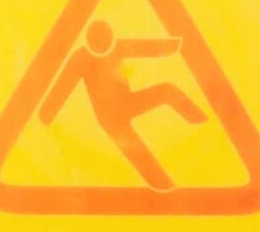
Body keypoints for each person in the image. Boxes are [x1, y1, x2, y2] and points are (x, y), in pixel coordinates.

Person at [36, 19, 206, 189]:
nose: (104, 48)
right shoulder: (80, 58)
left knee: (167, 91)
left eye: (106, 43)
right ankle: (166, 188)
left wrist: (178, 44)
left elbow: (147, 48)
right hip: (110, 119)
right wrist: (46, 116)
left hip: (128, 102)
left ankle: (203, 122)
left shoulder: (117, 46)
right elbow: (61, 88)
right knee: (139, 154)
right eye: (99, 45)